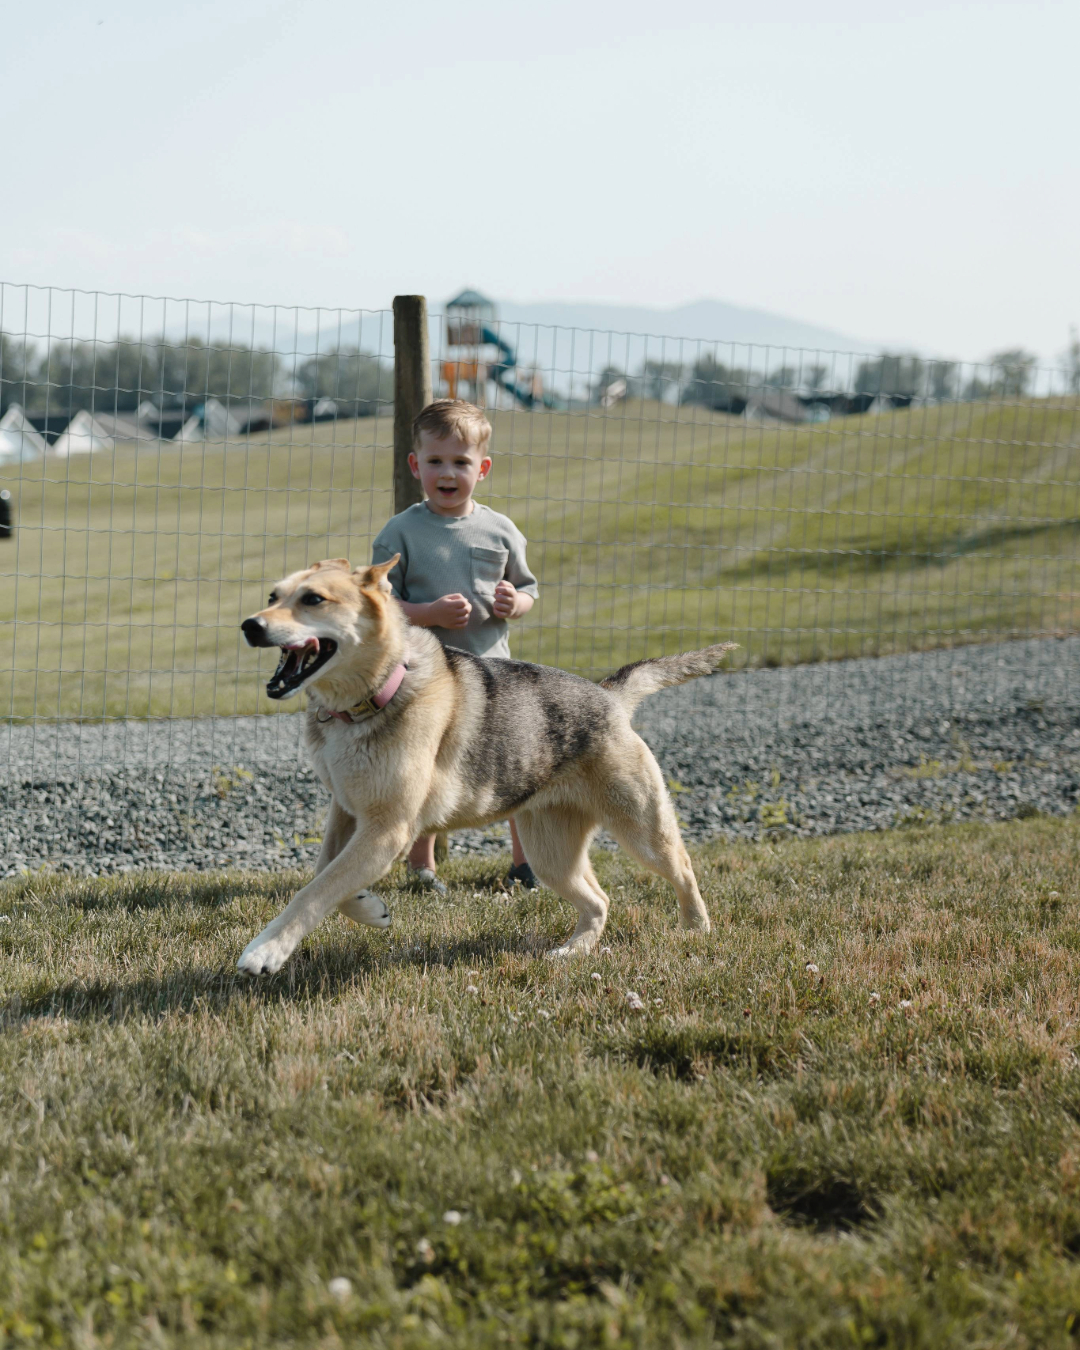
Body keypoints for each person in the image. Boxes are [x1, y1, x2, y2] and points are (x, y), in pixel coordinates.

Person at [371, 398, 540, 892]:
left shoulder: (501, 530)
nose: (448, 473)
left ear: (482, 468)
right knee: (427, 770)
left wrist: (515, 602)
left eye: (461, 462)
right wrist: (428, 615)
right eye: (436, 461)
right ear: (414, 464)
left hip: (495, 676)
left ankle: (525, 864)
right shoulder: (399, 533)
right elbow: (380, 607)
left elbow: (528, 589)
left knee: (515, 766)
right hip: (425, 681)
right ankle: (422, 868)